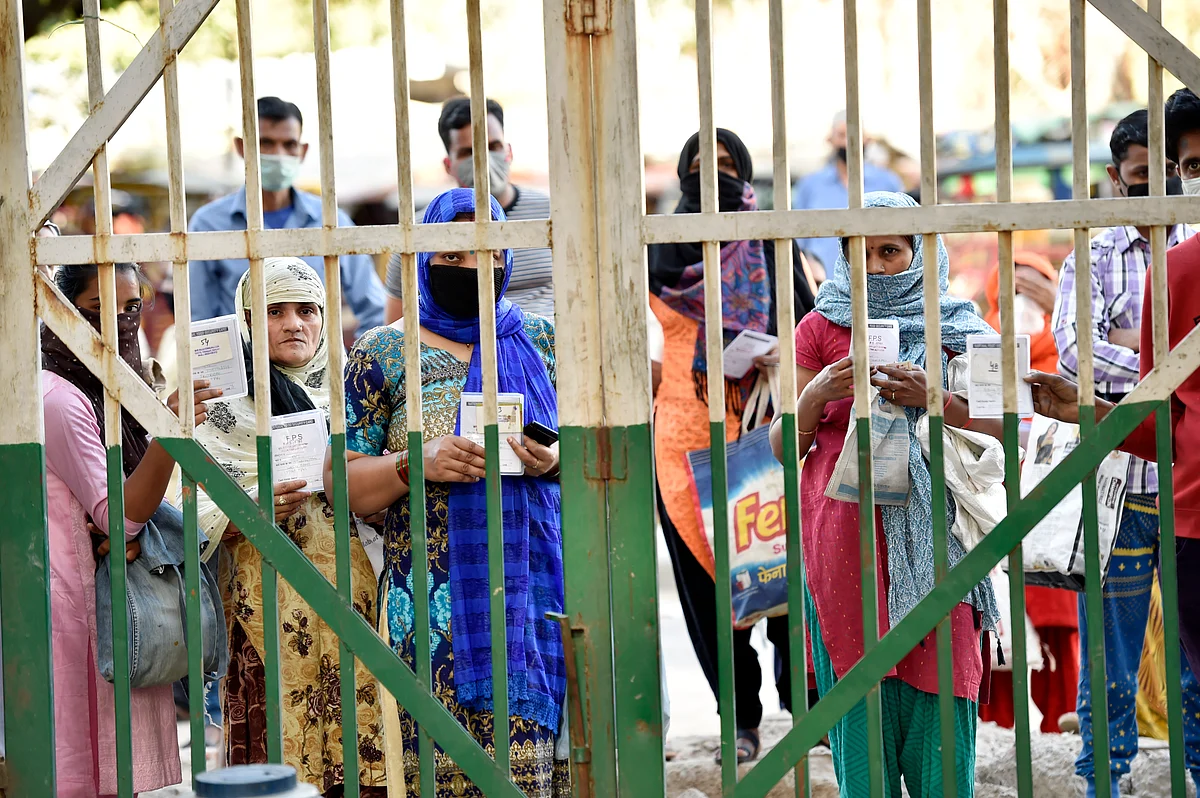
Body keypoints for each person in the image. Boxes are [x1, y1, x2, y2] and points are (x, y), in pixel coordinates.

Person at [770, 191, 1000, 797]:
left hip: (940, 551)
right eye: (860, 253)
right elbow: (780, 445)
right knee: (861, 728)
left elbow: (1008, 428)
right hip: (844, 546)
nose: (874, 267)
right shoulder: (818, 327)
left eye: (891, 251)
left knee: (942, 732)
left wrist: (938, 402)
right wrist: (815, 396)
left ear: (920, 252)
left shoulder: (961, 327)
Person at [341, 187, 568, 796]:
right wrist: (414, 464)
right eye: (451, 257)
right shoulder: (383, 353)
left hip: (536, 605)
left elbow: (599, 466)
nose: (471, 269)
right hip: (429, 617)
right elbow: (346, 488)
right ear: (423, 260)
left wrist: (551, 461)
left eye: (485, 255)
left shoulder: (544, 342)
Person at [648, 128, 816, 764]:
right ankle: (738, 718)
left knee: (776, 565)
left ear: (745, 175)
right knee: (705, 580)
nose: (712, 177)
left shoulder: (773, 237)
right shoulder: (662, 245)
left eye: (725, 166)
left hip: (765, 424)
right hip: (684, 434)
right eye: (699, 166)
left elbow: (807, 321)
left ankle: (806, 707)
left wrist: (778, 350)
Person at [1049, 107, 1200, 798]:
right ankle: (1102, 778)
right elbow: (1077, 351)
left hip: (1188, 482)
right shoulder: (1093, 254)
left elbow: (1100, 361)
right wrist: (1165, 370)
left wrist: (1143, 370)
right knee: (1109, 645)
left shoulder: (1193, 246)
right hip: (1121, 482)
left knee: (1194, 654)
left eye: (1173, 173)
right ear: (1119, 178)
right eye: (1144, 176)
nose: (1160, 188)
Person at [192, 257, 386, 793]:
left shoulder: (357, 393)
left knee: (358, 730)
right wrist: (243, 514)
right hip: (262, 609)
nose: (293, 324)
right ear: (247, 321)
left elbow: (389, 485)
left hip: (353, 598)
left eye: (307, 310)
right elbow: (181, 501)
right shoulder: (218, 404)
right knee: (276, 746)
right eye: (274, 311)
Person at [41, 262, 220, 798]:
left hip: (107, 595)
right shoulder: (61, 398)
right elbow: (118, 516)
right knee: (83, 769)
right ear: (63, 311)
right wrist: (172, 433)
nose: (119, 323)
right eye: (98, 309)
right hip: (78, 606)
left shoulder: (122, 385)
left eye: (130, 307)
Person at [974, 251, 1081, 734]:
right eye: (1012, 285)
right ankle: (997, 722)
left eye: (1034, 284)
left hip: (1054, 488)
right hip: (993, 486)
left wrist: (1061, 307)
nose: (1023, 295)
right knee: (993, 617)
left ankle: (1063, 717)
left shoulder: (1070, 342)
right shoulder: (979, 339)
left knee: (1056, 607)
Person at [188, 96, 385, 338]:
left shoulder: (332, 221)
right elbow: (199, 321)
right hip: (245, 370)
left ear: (302, 151)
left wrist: (357, 367)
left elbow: (376, 310)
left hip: (320, 372)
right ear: (241, 147)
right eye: (266, 143)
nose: (278, 154)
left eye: (289, 144)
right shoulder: (209, 224)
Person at [384, 97, 553, 323]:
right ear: (448, 165)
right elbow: (397, 326)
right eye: (468, 152)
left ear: (509, 152)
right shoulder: (417, 230)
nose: (483, 160)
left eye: (493, 147)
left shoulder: (550, 214)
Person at [791, 111, 904, 278]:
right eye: (842, 135)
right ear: (830, 140)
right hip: (825, 287)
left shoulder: (888, 182)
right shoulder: (810, 185)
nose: (849, 142)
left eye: (856, 135)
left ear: (868, 139)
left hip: (878, 282)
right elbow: (798, 240)